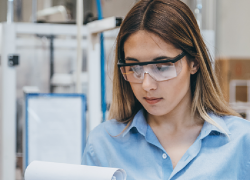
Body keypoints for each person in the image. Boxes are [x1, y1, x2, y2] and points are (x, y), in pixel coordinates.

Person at [82, 0, 250, 179]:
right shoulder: (103, 144)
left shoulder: (241, 141)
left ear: (194, 63)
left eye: (161, 67)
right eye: (135, 69)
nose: (147, 85)